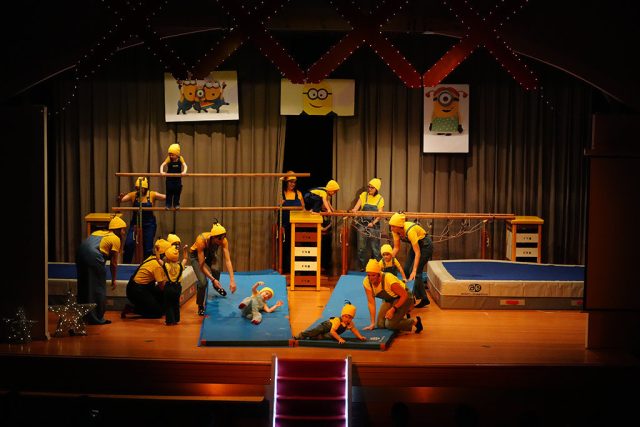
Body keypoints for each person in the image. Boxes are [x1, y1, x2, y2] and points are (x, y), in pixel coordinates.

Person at [75, 216, 127, 325]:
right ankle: (96, 318)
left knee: (84, 285)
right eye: (123, 229)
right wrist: (114, 279)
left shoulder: (98, 232)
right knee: (98, 287)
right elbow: (113, 263)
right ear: (117, 229)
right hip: (94, 256)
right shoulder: (115, 239)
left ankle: (82, 316)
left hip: (80, 252)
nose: (124, 232)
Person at [189, 221, 237, 316]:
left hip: (209, 253)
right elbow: (202, 266)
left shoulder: (223, 240)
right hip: (196, 257)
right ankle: (200, 305)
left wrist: (232, 280)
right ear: (213, 237)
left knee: (216, 268)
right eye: (219, 238)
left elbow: (228, 260)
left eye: (223, 237)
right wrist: (213, 279)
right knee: (203, 282)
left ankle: (216, 286)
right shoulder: (201, 240)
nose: (222, 240)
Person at [362, 259, 422, 333]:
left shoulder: (388, 279)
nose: (370, 278)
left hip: (404, 298)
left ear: (379, 274)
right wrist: (372, 323)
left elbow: (404, 295)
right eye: (368, 275)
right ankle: (398, 318)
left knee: (390, 325)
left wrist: (393, 309)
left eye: (373, 275)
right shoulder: (367, 282)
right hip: (389, 300)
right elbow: (371, 303)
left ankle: (414, 322)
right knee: (380, 324)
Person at [389, 212, 433, 308]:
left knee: (415, 273)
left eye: (393, 226)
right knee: (406, 270)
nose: (391, 228)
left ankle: (423, 299)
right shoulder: (395, 231)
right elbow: (396, 248)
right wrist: (388, 259)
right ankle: (412, 296)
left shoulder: (410, 230)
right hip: (416, 247)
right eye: (391, 226)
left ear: (399, 226)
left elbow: (417, 252)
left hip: (425, 246)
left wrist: (414, 270)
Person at [118, 176, 166, 263]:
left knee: (148, 248)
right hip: (135, 224)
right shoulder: (133, 194)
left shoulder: (152, 194)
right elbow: (123, 200)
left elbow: (164, 197)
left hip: (149, 224)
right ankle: (126, 265)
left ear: (146, 188)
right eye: (137, 188)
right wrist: (121, 197)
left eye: (141, 188)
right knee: (129, 244)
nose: (139, 190)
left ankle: (147, 265)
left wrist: (173, 194)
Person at [121, 239, 171, 320]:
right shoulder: (157, 265)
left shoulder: (153, 257)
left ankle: (155, 306)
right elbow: (162, 287)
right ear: (164, 254)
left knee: (162, 297)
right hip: (136, 291)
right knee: (157, 313)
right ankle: (132, 309)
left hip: (143, 287)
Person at [350, 178, 384, 271]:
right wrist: (354, 211)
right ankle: (363, 267)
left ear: (376, 189)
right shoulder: (364, 195)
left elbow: (380, 214)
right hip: (362, 223)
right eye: (369, 187)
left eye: (372, 187)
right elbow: (356, 207)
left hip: (374, 224)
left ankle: (377, 268)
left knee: (375, 248)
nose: (369, 189)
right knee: (361, 247)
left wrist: (373, 223)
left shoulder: (380, 198)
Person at [295, 301, 367, 344]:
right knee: (316, 331)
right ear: (342, 315)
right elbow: (332, 331)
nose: (347, 319)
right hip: (325, 326)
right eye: (345, 316)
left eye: (350, 317)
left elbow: (354, 330)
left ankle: (318, 336)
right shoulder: (338, 320)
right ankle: (302, 334)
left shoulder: (350, 323)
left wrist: (360, 337)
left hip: (332, 332)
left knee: (329, 337)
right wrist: (339, 339)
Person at [155, 241, 189, 325]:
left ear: (168, 257)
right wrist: (185, 250)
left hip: (169, 287)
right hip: (177, 287)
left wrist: (157, 250)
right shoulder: (180, 266)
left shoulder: (166, 266)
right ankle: (176, 319)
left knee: (168, 304)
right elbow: (185, 259)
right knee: (176, 303)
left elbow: (158, 259)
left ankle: (170, 320)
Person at [279, 171, 305, 273]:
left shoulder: (298, 193)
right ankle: (286, 269)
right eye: (290, 182)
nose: (292, 184)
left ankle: (297, 269)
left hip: (297, 224)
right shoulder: (282, 194)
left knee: (297, 246)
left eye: (294, 182)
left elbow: (303, 208)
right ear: (286, 182)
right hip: (285, 225)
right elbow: (277, 210)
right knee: (285, 247)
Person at [159, 143, 188, 209]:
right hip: (169, 179)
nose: (171, 156)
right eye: (170, 154)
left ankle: (176, 204)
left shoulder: (180, 158)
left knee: (177, 192)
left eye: (172, 155)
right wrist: (161, 172)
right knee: (169, 192)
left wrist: (184, 172)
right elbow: (162, 165)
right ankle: (168, 205)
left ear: (177, 154)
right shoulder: (169, 158)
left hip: (177, 179)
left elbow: (185, 165)